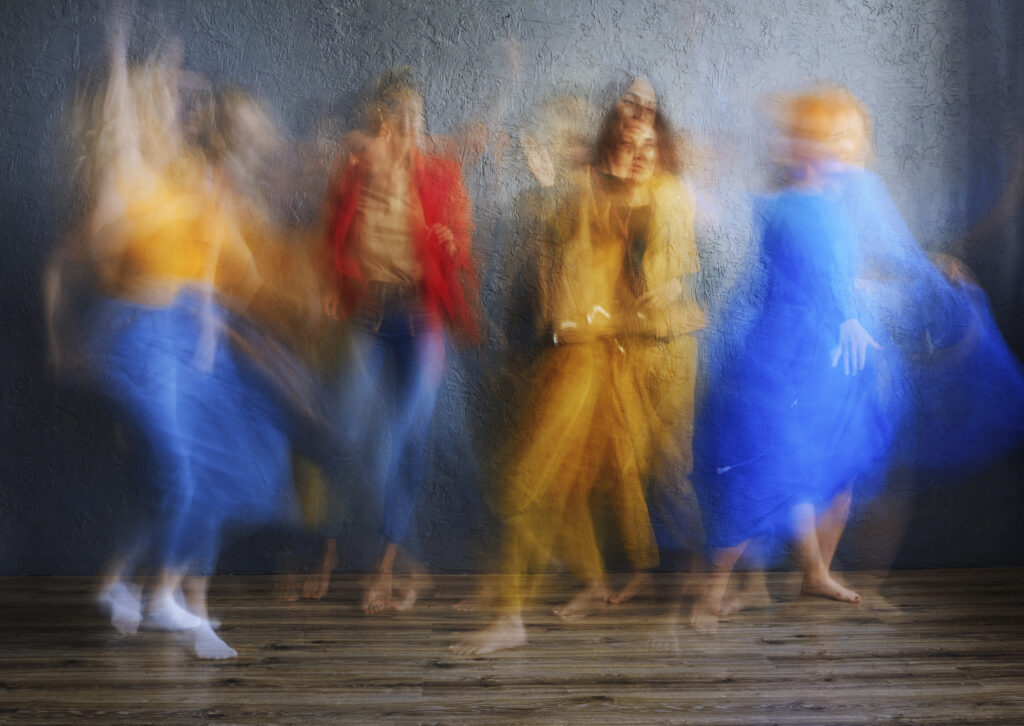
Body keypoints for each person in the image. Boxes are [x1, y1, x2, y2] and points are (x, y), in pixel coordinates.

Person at [454, 93, 704, 655]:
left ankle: (689, 581)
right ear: (608, 138)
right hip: (572, 359)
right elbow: (554, 275)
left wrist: (629, 313)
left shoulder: (659, 197)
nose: (640, 151)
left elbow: (656, 286)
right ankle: (538, 598)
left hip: (613, 361)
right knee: (549, 483)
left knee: (580, 480)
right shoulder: (580, 194)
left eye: (649, 142)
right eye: (628, 137)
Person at [689, 92, 892, 633]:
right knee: (766, 467)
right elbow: (812, 274)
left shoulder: (835, 205)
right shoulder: (788, 206)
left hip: (829, 360)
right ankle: (713, 591)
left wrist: (857, 310)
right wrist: (846, 314)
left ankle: (815, 571)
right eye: (830, 139)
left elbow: (842, 275)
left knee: (832, 470)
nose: (842, 151)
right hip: (785, 355)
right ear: (806, 147)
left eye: (848, 140)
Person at [320, 68, 477, 613]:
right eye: (397, 121)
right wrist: (338, 287)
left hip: (420, 321)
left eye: (417, 121)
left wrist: (449, 242)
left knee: (406, 441)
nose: (408, 130)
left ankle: (385, 569)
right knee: (343, 432)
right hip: (368, 319)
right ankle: (336, 550)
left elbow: (459, 251)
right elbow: (332, 237)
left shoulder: (440, 175)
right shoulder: (355, 174)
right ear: (380, 127)